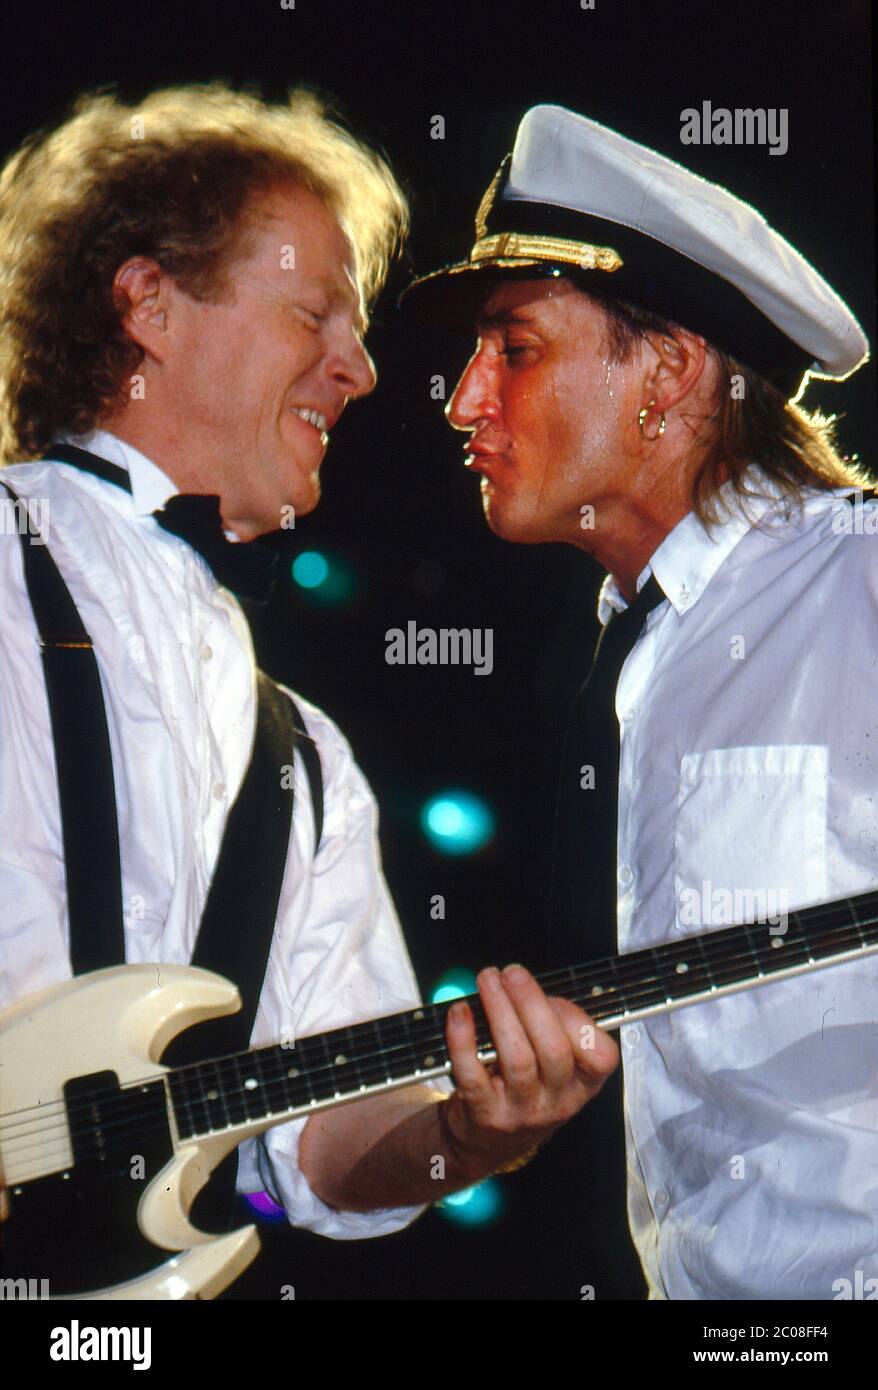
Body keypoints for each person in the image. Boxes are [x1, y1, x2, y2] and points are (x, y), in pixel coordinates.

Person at [0, 87, 618, 1287]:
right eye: (314, 314)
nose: (365, 370)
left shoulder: (305, 759)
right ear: (150, 304)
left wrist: (468, 1135)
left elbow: (323, 1149)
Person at [400, 103, 878, 1300]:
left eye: (513, 349)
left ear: (666, 369)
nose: (463, 402)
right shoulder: (638, 643)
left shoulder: (857, 579)